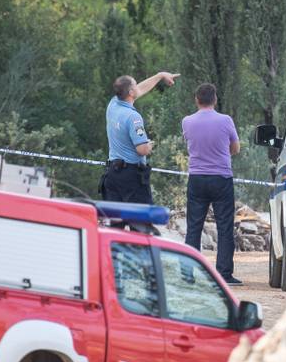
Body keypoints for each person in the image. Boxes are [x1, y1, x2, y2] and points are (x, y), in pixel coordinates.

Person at [181, 83, 242, 285]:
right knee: (225, 226)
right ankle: (224, 274)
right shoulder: (226, 120)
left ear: (196, 100)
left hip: (197, 178)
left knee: (194, 227)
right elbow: (236, 148)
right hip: (221, 178)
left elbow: (190, 144)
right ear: (215, 99)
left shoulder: (187, 122)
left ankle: (188, 274)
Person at [101, 72, 179, 204]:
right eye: (135, 86)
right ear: (131, 92)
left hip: (113, 173)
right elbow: (142, 150)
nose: (139, 88)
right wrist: (149, 145)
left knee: (114, 222)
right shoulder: (133, 117)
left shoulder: (113, 105)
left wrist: (160, 76)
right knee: (140, 222)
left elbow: (141, 89)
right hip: (131, 176)